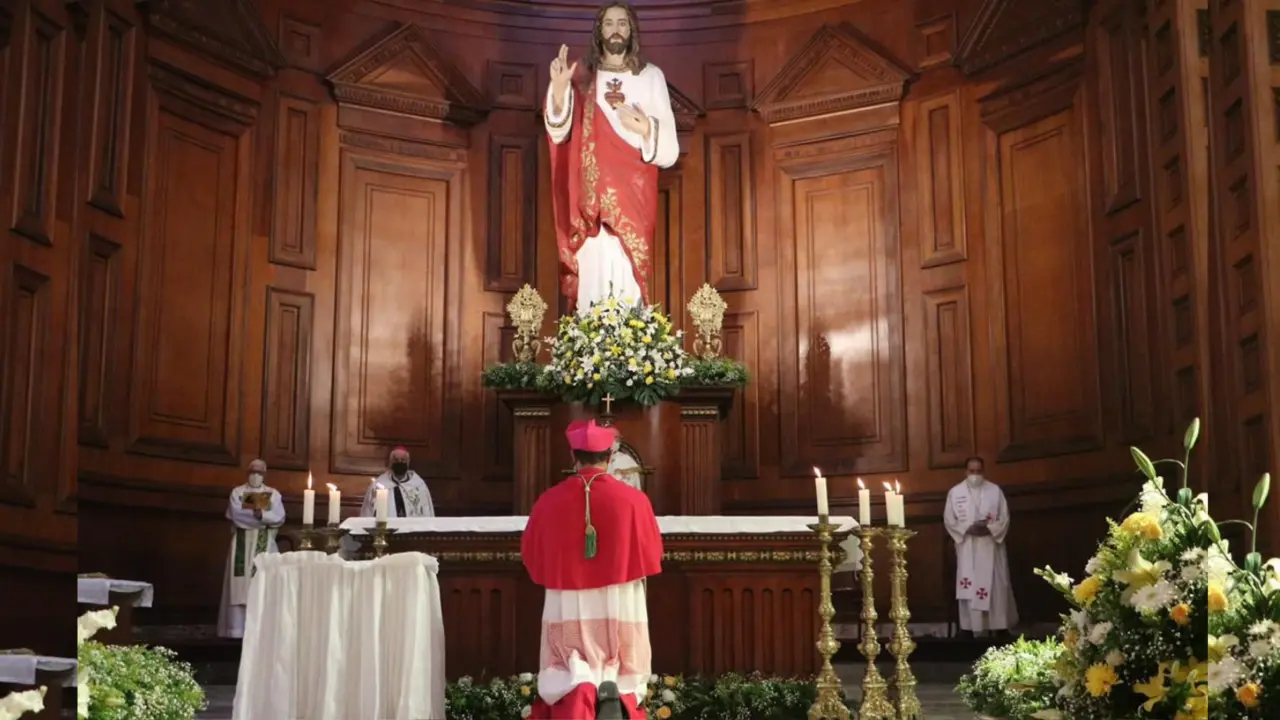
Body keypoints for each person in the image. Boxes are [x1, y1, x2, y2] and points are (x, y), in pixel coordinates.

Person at [522, 419, 663, 719]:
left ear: (573, 457)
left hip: (567, 596)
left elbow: (530, 553)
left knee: (569, 655)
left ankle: (579, 686)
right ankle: (615, 690)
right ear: (610, 457)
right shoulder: (635, 500)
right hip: (618, 595)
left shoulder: (548, 501)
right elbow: (653, 552)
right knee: (621, 651)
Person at [545, 1, 680, 313]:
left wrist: (647, 128)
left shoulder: (650, 76)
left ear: (631, 29)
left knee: (626, 267)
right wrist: (559, 89)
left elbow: (670, 151)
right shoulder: (581, 76)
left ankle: (632, 345)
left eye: (622, 22)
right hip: (589, 195)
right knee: (594, 262)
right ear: (599, 31)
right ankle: (590, 342)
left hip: (634, 190)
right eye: (609, 23)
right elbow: (557, 132)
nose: (616, 28)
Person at [943, 456, 1018, 637]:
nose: (975, 475)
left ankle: (999, 626)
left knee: (996, 585)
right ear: (965, 471)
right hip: (967, 546)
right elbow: (949, 519)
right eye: (971, 471)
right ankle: (969, 628)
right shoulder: (955, 492)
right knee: (970, 584)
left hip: (990, 545)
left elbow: (1004, 517)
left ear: (983, 471)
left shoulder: (995, 491)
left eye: (978, 471)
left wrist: (989, 529)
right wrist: (967, 528)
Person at [217, 459, 285, 638]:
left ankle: (263, 629)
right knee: (238, 584)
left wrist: (261, 514)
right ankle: (236, 629)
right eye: (253, 471)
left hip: (264, 542)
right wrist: (261, 518)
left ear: (265, 473)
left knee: (263, 582)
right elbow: (237, 515)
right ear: (247, 472)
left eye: (260, 472)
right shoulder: (238, 492)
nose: (256, 475)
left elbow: (279, 516)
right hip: (241, 541)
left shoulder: (273, 494)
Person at [361, 446, 436, 518]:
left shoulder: (418, 485)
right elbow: (367, 512)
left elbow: (427, 512)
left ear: (407, 462)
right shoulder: (379, 485)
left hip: (412, 528)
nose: (399, 462)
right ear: (391, 462)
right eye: (396, 460)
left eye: (403, 460)